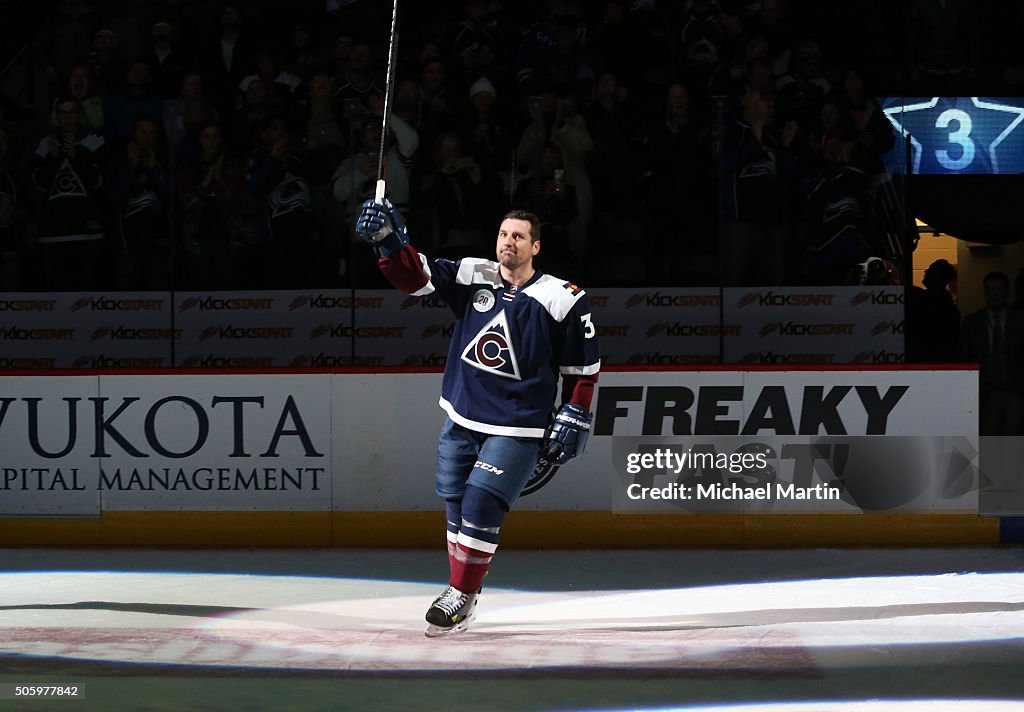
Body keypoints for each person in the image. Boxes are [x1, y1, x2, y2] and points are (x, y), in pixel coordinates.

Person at [354, 201, 600, 637]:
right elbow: (416, 279)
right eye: (504, 234)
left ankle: (459, 594)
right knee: (454, 503)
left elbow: (582, 369)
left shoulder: (562, 298)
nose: (509, 241)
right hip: (461, 415)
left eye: (519, 236)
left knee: (481, 505)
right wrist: (388, 241)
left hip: (518, 426)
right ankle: (464, 597)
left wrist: (577, 410)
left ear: (536, 246)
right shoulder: (475, 274)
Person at [961, 271, 1024, 436]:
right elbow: (965, 357)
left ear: (1006, 292)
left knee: (1013, 436)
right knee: (989, 436)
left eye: (998, 290)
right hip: (986, 391)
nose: (994, 294)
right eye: (990, 290)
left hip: (1015, 388)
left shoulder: (1020, 320)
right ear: (984, 292)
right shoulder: (973, 322)